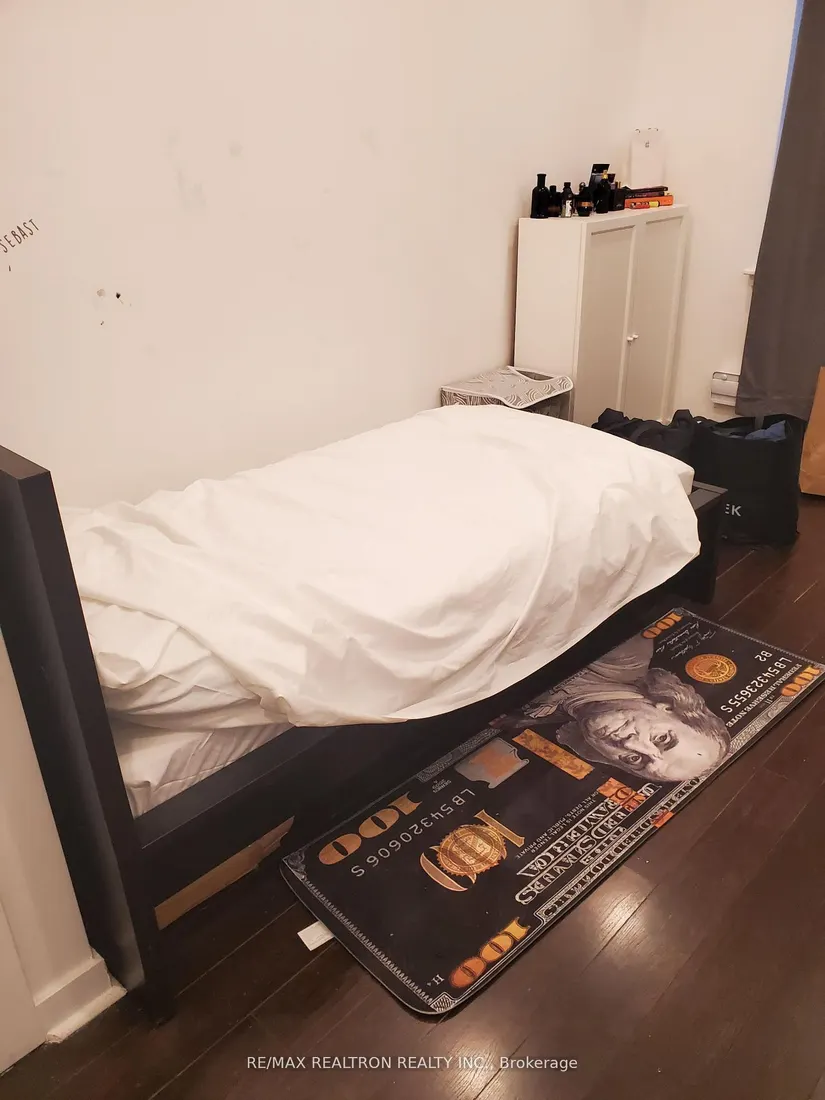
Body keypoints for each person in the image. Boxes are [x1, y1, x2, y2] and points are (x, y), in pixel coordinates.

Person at [497, 634, 731, 783]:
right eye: (661, 738)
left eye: (634, 759)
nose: (630, 744)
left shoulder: (540, 716)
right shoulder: (624, 654)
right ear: (668, 707)